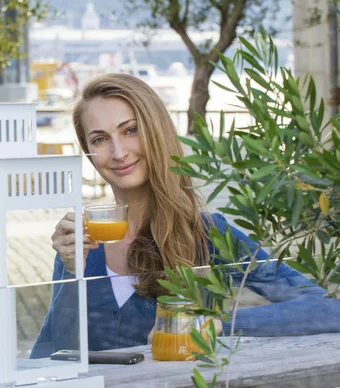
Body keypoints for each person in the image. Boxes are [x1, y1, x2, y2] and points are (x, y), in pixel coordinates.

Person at [30, 73, 340, 359]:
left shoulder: (206, 234)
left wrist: (214, 324)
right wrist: (73, 270)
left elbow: (326, 309)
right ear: (88, 152)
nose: (118, 152)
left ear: (156, 133)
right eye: (99, 139)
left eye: (131, 130)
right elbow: (54, 354)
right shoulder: (82, 237)